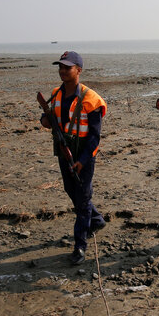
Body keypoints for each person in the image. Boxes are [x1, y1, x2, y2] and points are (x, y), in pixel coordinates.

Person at [40, 51, 108, 265]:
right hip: (63, 150)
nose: (62, 71)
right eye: (60, 67)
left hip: (83, 154)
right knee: (71, 190)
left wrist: (84, 160)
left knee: (84, 196)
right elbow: (47, 118)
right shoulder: (55, 94)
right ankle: (96, 219)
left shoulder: (92, 99)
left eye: (67, 67)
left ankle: (80, 245)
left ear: (78, 70)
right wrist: (46, 120)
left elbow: (95, 137)